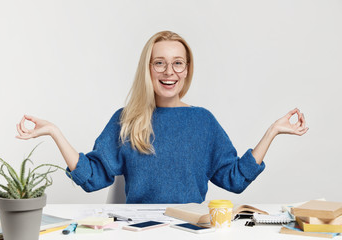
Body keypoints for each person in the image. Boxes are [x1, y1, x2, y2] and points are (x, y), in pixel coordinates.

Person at [16, 31, 309, 204]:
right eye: (160, 63)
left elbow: (234, 179)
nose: (169, 72)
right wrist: (54, 131)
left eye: (177, 63)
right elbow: (92, 178)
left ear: (187, 69)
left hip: (191, 230)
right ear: (149, 68)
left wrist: (272, 132)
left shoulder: (203, 122)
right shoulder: (127, 119)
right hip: (137, 232)